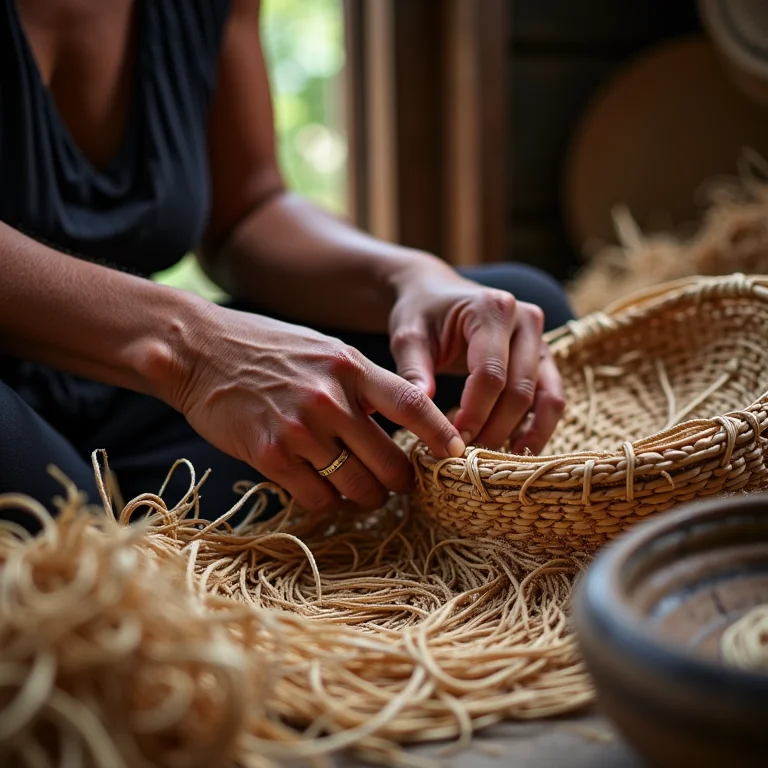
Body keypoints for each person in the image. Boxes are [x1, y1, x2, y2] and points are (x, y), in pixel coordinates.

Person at [0, 0, 573, 524]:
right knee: (61, 534)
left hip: (116, 392)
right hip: (45, 390)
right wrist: (193, 351)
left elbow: (247, 210)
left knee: (511, 323)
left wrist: (412, 279)